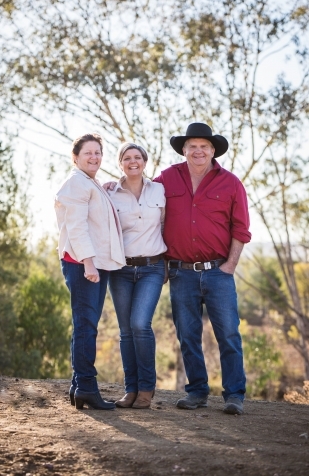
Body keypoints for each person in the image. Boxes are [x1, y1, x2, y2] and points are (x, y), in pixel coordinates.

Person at [154, 122, 251, 415]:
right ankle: (197, 392)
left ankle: (234, 395)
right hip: (181, 272)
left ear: (212, 150)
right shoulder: (166, 179)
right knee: (188, 334)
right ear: (184, 149)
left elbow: (241, 228)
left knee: (229, 334)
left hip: (218, 271)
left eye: (204, 146)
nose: (198, 151)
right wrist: (116, 184)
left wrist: (230, 265)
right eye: (192, 146)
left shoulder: (231, 183)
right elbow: (142, 202)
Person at [55, 133, 125, 410]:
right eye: (88, 153)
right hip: (83, 264)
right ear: (76, 157)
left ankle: (79, 386)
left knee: (86, 325)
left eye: (98, 152)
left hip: (92, 263)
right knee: (86, 326)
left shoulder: (88, 183)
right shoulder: (76, 183)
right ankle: (85, 386)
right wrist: (88, 263)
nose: (94, 157)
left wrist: (105, 189)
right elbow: (77, 227)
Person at [107, 143, 167, 409]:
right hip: (120, 269)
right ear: (120, 163)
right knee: (125, 331)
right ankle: (130, 390)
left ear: (144, 161)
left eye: (137, 157)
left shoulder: (159, 190)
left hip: (152, 267)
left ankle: (146, 389)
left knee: (140, 324)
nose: (133, 162)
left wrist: (169, 264)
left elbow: (166, 225)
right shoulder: (110, 193)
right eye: (127, 158)